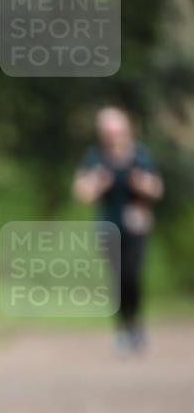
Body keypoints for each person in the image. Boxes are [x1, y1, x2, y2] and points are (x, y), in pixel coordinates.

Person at [73, 106, 163, 354]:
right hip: (108, 227)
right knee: (117, 279)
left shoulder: (140, 155)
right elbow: (81, 193)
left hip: (136, 226)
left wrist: (141, 183)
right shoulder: (95, 157)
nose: (113, 136)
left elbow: (157, 189)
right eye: (108, 131)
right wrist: (98, 182)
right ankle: (123, 329)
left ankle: (135, 325)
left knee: (133, 276)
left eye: (117, 130)